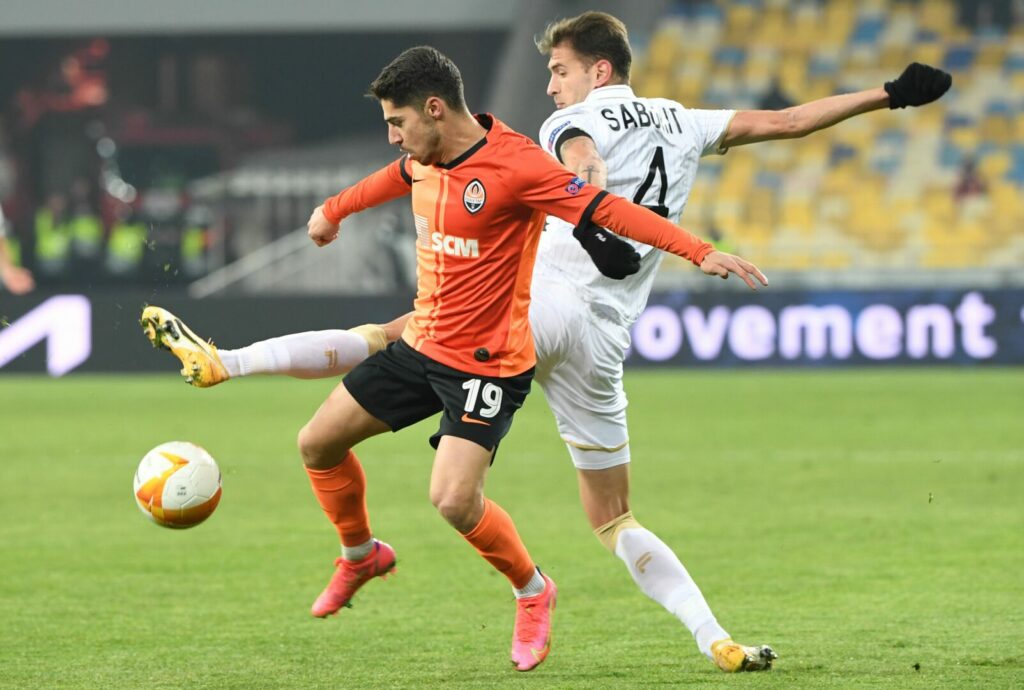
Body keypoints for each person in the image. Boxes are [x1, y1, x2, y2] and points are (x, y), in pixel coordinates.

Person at [144, 14, 951, 673]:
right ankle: (716, 639)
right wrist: (887, 95)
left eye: (558, 70)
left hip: (545, 308)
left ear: (597, 70)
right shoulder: (684, 119)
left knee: (418, 331)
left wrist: (591, 200)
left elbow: (580, 162)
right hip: (605, 339)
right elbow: (788, 121)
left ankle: (232, 363)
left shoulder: (564, 122)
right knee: (611, 515)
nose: (550, 85)